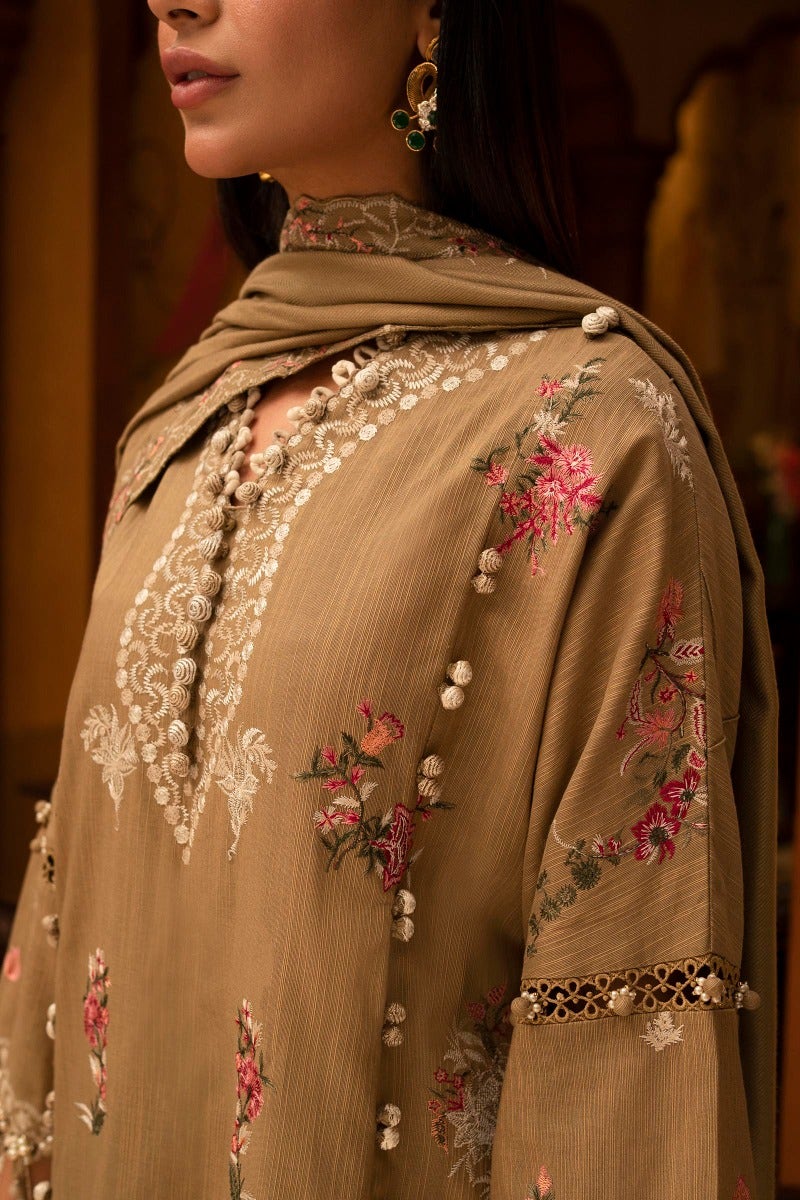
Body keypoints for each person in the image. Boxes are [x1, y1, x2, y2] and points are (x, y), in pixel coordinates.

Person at [0, 1, 779, 1198]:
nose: (173, 2)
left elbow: (624, 1019)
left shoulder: (592, 432)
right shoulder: (175, 432)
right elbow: (54, 968)